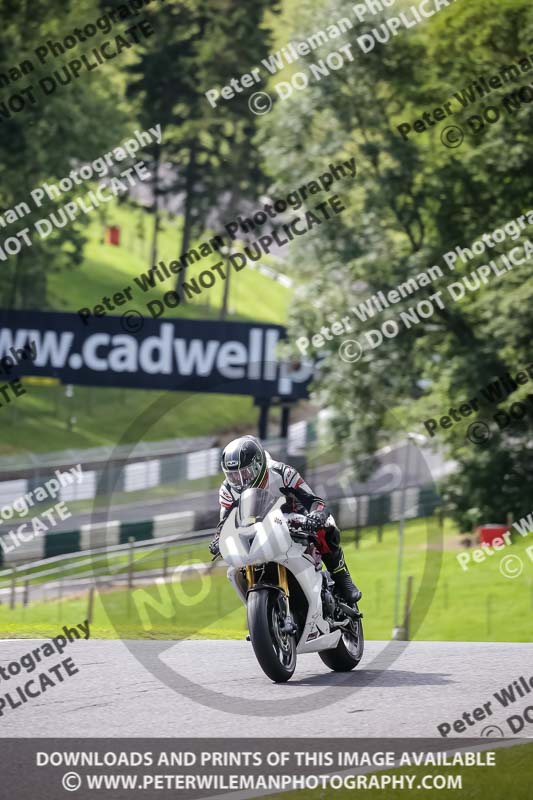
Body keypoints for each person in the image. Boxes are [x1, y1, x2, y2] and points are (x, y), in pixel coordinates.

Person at [208, 435, 362, 604]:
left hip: (295, 519)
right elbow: (225, 521)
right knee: (237, 563)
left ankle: (342, 578)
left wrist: (316, 516)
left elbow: (314, 501)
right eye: (234, 476)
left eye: (245, 473)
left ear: (258, 465)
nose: (241, 480)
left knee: (327, 525)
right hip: (257, 528)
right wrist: (219, 539)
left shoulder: (282, 473)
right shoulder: (227, 489)